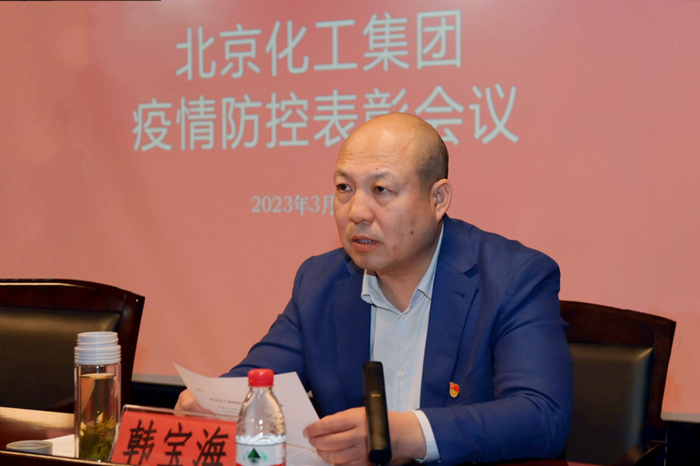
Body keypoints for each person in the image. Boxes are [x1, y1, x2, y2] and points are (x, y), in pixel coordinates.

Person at [176, 113, 573, 466]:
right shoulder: (321, 282)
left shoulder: (512, 278)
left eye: (381, 190)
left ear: (438, 199)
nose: (357, 212)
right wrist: (211, 404)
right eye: (344, 188)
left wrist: (405, 434)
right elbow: (256, 383)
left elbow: (541, 416)